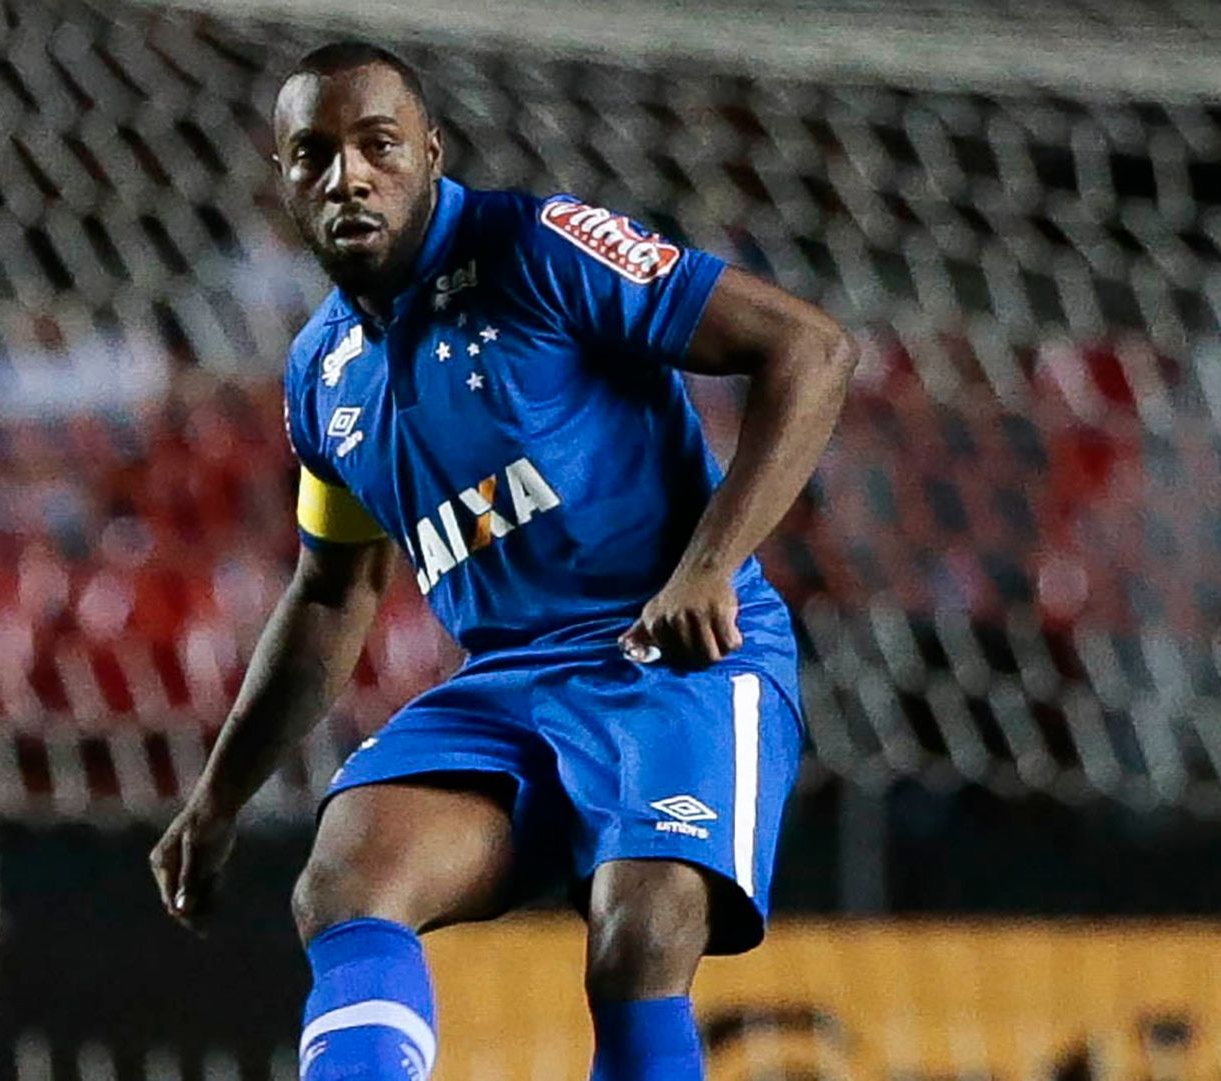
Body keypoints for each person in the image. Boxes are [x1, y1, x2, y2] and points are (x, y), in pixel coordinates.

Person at [150, 42, 855, 1080]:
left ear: (431, 151)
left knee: (638, 940)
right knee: (344, 883)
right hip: (509, 685)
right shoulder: (322, 378)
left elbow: (809, 348)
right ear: (283, 178)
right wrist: (216, 799)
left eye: (376, 145)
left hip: (678, 663)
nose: (346, 175)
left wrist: (709, 561)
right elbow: (330, 591)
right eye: (313, 155)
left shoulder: (543, 248)